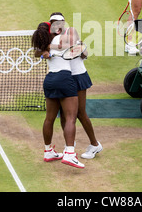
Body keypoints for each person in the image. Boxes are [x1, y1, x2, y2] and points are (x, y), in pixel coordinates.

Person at [32, 15, 84, 168]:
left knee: (49, 118)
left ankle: (48, 151)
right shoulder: (63, 37)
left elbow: (38, 52)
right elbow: (80, 46)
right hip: (64, 79)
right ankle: (69, 153)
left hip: (49, 81)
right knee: (70, 117)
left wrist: (45, 51)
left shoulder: (45, 41)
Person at [53, 14, 103, 160]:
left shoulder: (71, 33)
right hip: (65, 78)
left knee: (80, 113)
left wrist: (81, 48)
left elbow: (83, 53)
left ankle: (95, 145)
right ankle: (70, 146)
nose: (56, 25)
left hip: (78, 76)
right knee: (63, 113)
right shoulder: (55, 38)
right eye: (53, 23)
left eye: (58, 22)